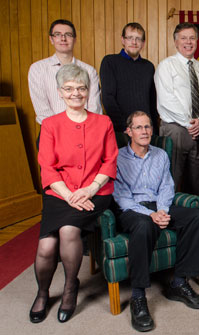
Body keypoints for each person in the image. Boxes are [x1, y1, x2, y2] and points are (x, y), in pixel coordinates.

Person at [30, 64, 118, 324]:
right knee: (46, 246)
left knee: (69, 231)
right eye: (69, 89)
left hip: (96, 190)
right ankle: (43, 293)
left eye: (81, 88)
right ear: (60, 92)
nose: (76, 93)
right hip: (59, 192)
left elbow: (110, 160)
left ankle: (70, 287)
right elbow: (47, 165)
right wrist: (68, 194)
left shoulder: (103, 122)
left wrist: (90, 189)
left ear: (88, 91)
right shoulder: (49, 124)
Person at [113, 111, 199, 332]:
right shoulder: (118, 157)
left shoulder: (160, 154)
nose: (144, 131)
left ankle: (179, 283)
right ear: (129, 131)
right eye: (138, 127)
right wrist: (150, 215)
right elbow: (122, 197)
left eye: (147, 127)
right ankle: (138, 297)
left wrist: (163, 210)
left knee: (195, 216)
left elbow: (167, 186)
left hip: (158, 205)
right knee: (144, 225)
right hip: (132, 210)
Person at [155, 22, 199, 194]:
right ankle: (169, 219)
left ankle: (192, 219)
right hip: (176, 129)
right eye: (184, 38)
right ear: (176, 42)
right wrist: (190, 123)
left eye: (192, 38)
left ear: (197, 41)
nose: (188, 42)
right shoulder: (166, 65)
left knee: (196, 182)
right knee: (172, 179)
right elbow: (166, 100)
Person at [28, 19, 101, 128]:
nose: (63, 38)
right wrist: (63, 130)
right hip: (51, 131)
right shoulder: (37, 69)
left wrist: (82, 129)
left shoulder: (89, 70)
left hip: (85, 129)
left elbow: (94, 108)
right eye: (58, 34)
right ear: (51, 39)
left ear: (75, 39)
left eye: (68, 34)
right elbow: (42, 110)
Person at [100, 22, 158, 134]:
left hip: (145, 130)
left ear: (143, 43)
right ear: (123, 40)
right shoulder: (110, 62)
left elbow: (152, 101)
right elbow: (108, 98)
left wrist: (153, 129)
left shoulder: (148, 67)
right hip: (121, 130)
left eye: (138, 39)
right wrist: (124, 127)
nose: (134, 42)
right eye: (130, 38)